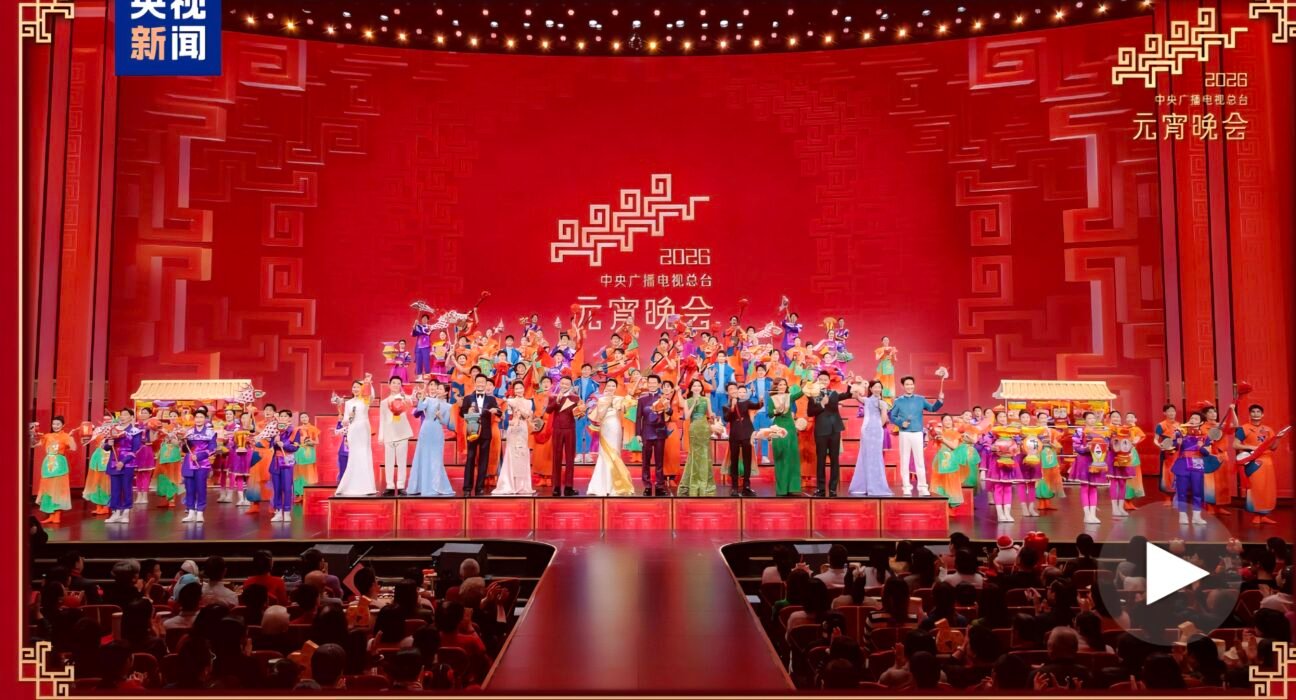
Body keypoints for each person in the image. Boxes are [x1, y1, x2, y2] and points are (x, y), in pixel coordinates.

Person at [889, 376, 944, 496]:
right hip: (904, 433)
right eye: (907, 384)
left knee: (919, 460)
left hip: (918, 433)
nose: (909, 386)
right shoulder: (898, 401)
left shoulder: (920, 399)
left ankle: (923, 487)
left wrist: (939, 401)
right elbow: (892, 416)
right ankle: (906, 487)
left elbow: (932, 409)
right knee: (905, 460)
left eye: (911, 384)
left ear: (914, 385)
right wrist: (900, 422)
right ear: (903, 386)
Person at [1235, 403, 1286, 525]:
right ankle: (1256, 515)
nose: (1255, 414)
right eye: (1253, 412)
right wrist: (1252, 447)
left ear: (1262, 414)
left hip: (1267, 462)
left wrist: (1278, 438)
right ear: (1249, 414)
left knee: (1267, 489)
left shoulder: (1268, 430)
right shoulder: (1244, 428)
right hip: (1253, 461)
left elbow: (1273, 448)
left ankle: (1263, 515)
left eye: (1258, 412)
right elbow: (1235, 445)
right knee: (1256, 488)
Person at [587, 379, 635, 497]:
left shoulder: (619, 399)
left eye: (613, 386)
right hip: (605, 428)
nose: (611, 387)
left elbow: (625, 410)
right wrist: (607, 402)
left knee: (615, 454)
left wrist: (629, 397)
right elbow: (599, 416)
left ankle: (616, 486)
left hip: (616, 428)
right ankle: (601, 486)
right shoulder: (601, 400)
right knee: (604, 454)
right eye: (609, 385)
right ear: (606, 387)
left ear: (616, 387)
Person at [407, 379, 455, 496]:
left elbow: (449, 424)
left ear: (446, 392)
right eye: (437, 388)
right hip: (426, 430)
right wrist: (422, 396)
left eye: (440, 389)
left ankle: (436, 486)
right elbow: (420, 408)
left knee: (436, 458)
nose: (437, 390)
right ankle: (419, 486)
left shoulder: (449, 406)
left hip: (437, 432)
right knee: (422, 456)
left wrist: (440, 417)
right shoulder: (429, 400)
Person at [335, 376, 378, 497]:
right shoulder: (348, 403)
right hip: (353, 429)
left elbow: (372, 395)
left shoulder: (365, 400)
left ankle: (367, 486)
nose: (355, 389)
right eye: (354, 387)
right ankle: (350, 485)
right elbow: (345, 421)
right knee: (354, 455)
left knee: (364, 454)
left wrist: (368, 383)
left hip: (363, 428)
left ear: (362, 388)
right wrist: (350, 416)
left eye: (358, 387)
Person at [848, 379, 891, 496]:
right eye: (875, 387)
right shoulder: (866, 400)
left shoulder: (883, 403)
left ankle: (876, 485)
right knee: (865, 455)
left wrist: (876, 427)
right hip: (866, 430)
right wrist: (858, 384)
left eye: (879, 387)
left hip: (877, 431)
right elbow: (855, 394)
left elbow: (883, 418)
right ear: (871, 389)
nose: (877, 389)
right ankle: (864, 486)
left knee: (876, 457)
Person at [30, 417, 76, 525]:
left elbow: (73, 448)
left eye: (58, 424)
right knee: (47, 489)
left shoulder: (65, 436)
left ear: (63, 425)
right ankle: (51, 516)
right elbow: (34, 444)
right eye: (54, 424)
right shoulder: (47, 436)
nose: (55, 426)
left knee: (58, 490)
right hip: (48, 464)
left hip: (59, 464)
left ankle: (57, 516)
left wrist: (70, 437)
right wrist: (32, 434)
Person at [494, 381, 537, 496]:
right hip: (513, 429)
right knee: (512, 454)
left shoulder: (529, 402)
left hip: (523, 428)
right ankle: (509, 483)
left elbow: (528, 416)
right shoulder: (510, 401)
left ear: (524, 389)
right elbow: (505, 415)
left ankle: (522, 485)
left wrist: (520, 410)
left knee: (522, 453)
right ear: (513, 390)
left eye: (520, 388)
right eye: (516, 388)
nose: (519, 390)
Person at [806, 371, 845, 497]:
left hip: (835, 430)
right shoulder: (813, 395)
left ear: (829, 382)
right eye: (821, 379)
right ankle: (821, 489)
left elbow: (848, 394)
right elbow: (810, 412)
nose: (823, 381)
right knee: (821, 460)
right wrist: (822, 404)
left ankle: (833, 489)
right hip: (821, 430)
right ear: (817, 381)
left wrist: (850, 384)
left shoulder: (834, 393)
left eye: (825, 380)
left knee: (834, 460)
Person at [1072, 411, 1113, 525]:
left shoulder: (1100, 431)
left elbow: (1106, 444)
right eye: (1089, 418)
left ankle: (1093, 514)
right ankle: (1087, 514)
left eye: (1093, 418)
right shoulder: (1079, 431)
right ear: (1085, 420)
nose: (1092, 420)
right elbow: (1076, 446)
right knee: (1085, 486)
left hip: (1096, 460)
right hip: (1084, 460)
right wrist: (1087, 448)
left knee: (1094, 487)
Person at [1171, 412, 1211, 526]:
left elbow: (1207, 453)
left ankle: (1196, 517)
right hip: (1183, 464)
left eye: (1196, 418)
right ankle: (1182, 515)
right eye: (1192, 418)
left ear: (1201, 422)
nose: (1193, 420)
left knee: (1197, 491)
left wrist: (1201, 446)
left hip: (1197, 465)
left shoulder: (1205, 436)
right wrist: (1176, 442)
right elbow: (1171, 447)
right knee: (1182, 491)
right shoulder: (1181, 433)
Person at [679, 378, 717, 497]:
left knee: (705, 453)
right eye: (694, 386)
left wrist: (713, 417)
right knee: (694, 454)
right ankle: (693, 483)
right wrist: (694, 404)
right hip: (694, 428)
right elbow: (686, 417)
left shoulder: (706, 399)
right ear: (691, 388)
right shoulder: (687, 401)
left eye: (699, 386)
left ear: (701, 388)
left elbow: (710, 414)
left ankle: (705, 484)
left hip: (704, 428)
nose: (697, 388)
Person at [723, 382, 763, 497]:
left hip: (747, 434)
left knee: (747, 460)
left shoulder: (746, 402)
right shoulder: (726, 405)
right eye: (731, 389)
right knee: (734, 461)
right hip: (734, 435)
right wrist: (732, 406)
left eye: (735, 389)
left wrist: (761, 401)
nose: (734, 391)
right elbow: (727, 418)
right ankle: (734, 487)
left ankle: (746, 486)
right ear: (728, 392)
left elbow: (757, 406)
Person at [178, 409, 218, 523]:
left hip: (202, 464)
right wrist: (183, 443)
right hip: (189, 463)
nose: (199, 419)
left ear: (205, 419)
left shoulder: (210, 433)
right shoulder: (189, 432)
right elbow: (185, 449)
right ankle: (191, 512)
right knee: (189, 488)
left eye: (201, 417)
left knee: (201, 488)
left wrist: (199, 456)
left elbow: (212, 449)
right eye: (197, 417)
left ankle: (200, 512)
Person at [766, 377, 804, 496]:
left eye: (784, 384)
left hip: (790, 428)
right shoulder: (772, 399)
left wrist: (807, 385)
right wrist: (777, 410)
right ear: (776, 386)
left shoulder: (789, 397)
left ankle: (793, 487)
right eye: (780, 385)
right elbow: (769, 413)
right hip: (778, 427)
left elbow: (800, 394)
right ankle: (782, 488)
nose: (782, 387)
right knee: (781, 456)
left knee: (792, 456)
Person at [635, 374, 672, 496]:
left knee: (659, 461)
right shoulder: (642, 400)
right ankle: (647, 486)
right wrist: (638, 434)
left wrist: (667, 408)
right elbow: (638, 418)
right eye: (649, 382)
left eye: (654, 383)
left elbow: (670, 413)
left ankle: (660, 485)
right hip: (646, 432)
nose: (651, 385)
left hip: (660, 432)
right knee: (645, 461)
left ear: (659, 384)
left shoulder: (663, 398)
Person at [546, 375, 581, 497]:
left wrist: (581, 410)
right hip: (557, 429)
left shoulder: (575, 398)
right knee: (556, 458)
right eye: (562, 383)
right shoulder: (553, 397)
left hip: (570, 429)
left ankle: (568, 487)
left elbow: (579, 414)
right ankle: (556, 487)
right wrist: (557, 401)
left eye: (567, 384)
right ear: (559, 384)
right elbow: (548, 410)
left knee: (570, 458)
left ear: (570, 385)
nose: (564, 386)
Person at [104, 409, 141, 523]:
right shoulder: (114, 430)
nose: (122, 417)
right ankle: (115, 512)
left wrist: (123, 462)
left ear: (131, 417)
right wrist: (108, 444)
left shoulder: (135, 431)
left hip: (127, 463)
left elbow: (135, 449)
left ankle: (125, 512)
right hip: (114, 462)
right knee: (115, 489)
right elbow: (106, 447)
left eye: (125, 415)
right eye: (121, 415)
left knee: (126, 488)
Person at [378, 377, 414, 495]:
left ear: (401, 386)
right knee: (389, 461)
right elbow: (382, 419)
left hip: (402, 433)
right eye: (393, 383)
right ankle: (390, 485)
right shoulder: (384, 402)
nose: (396, 385)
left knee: (401, 461)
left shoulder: (404, 398)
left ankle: (401, 485)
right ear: (389, 385)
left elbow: (413, 400)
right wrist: (381, 436)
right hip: (389, 434)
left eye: (398, 383)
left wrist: (413, 395)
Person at [267, 409, 300, 522]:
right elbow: (270, 446)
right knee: (277, 488)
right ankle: (278, 512)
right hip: (276, 463)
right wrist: (274, 442)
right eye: (281, 416)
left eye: (285, 416)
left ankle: (286, 512)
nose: (282, 418)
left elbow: (295, 447)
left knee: (287, 488)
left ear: (290, 418)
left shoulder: (294, 431)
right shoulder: (275, 430)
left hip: (287, 463)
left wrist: (284, 445)